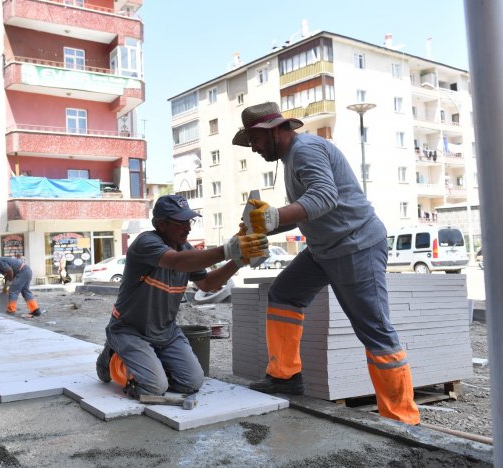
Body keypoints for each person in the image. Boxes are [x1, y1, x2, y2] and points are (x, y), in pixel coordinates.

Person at [232, 101, 420, 425]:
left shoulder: (305, 150)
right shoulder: (293, 158)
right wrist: (265, 224)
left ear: (273, 130)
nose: (255, 148)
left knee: (376, 331)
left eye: (255, 140)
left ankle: (403, 420)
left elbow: (323, 198)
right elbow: (308, 208)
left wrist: (271, 216)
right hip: (325, 249)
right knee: (284, 293)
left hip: (355, 246)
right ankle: (285, 376)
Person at [95, 194, 268, 399]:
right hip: (129, 329)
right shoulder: (146, 243)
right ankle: (112, 356)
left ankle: (149, 361)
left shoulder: (186, 249)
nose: (188, 228)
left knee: (192, 383)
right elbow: (176, 262)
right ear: (161, 224)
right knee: (154, 388)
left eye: (189, 221)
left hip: (165, 331)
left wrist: (238, 261)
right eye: (180, 223)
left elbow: (207, 284)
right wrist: (229, 250)